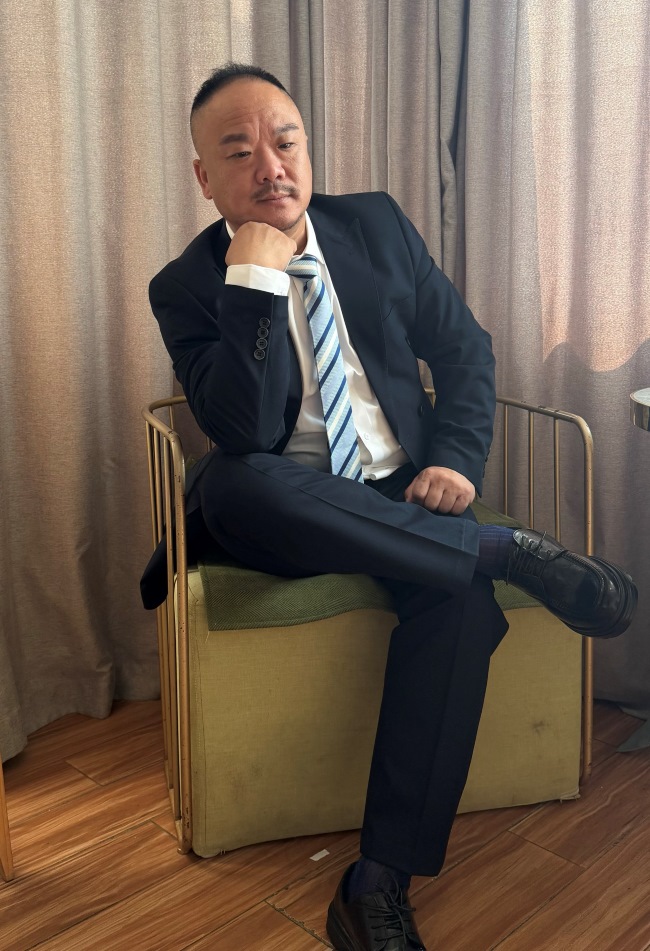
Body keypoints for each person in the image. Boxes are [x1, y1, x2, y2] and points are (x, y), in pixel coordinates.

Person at [141, 63, 637, 951]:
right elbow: (241, 429)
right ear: (204, 177)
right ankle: (507, 551)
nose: (271, 166)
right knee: (234, 476)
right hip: (285, 505)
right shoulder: (183, 285)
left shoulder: (373, 223)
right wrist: (251, 280)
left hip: (399, 490)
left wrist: (453, 459)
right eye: (239, 151)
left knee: (462, 608)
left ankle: (375, 883)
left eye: (285, 141)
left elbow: (466, 349)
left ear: (308, 146)